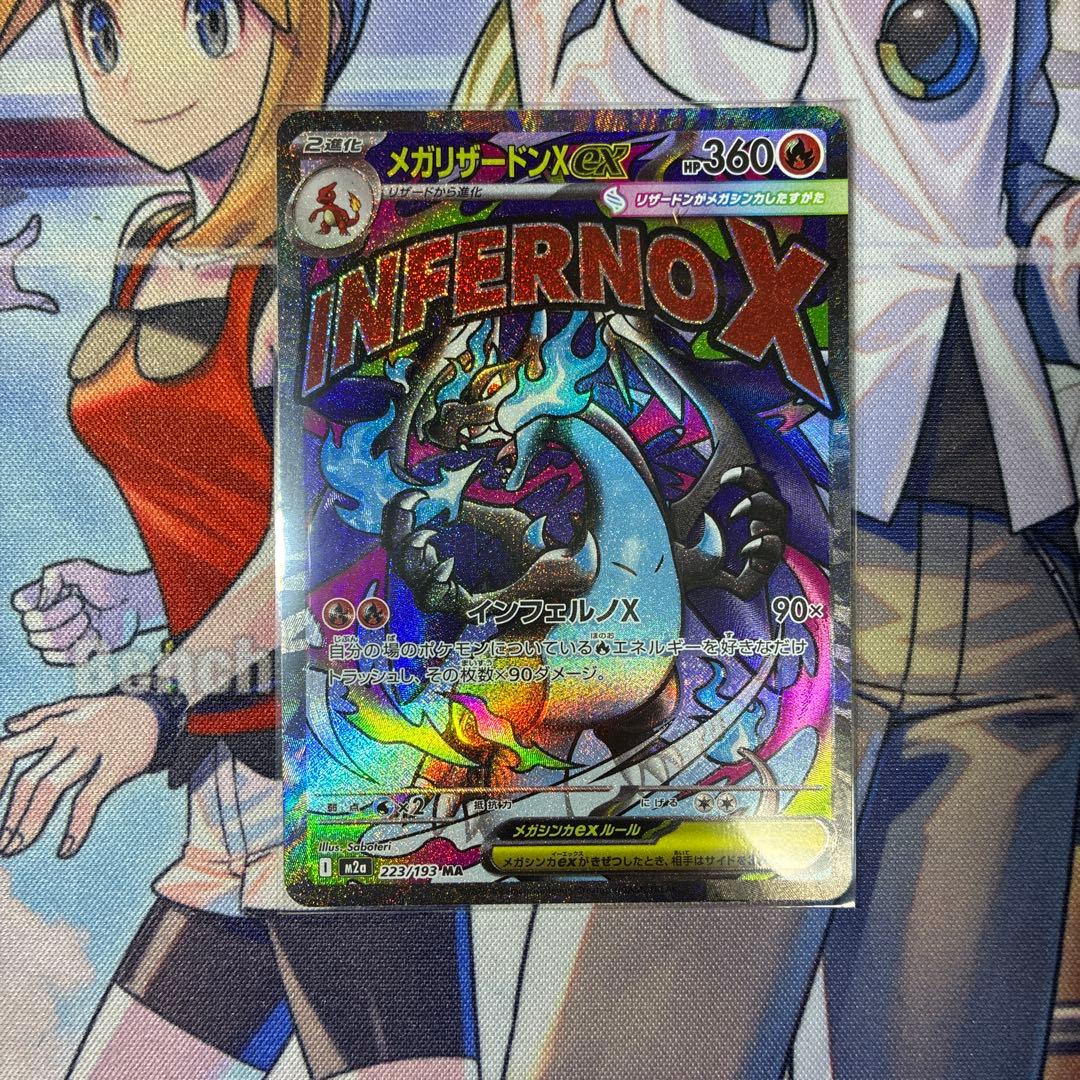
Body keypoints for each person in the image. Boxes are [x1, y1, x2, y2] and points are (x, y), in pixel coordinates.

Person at [455, 2, 1080, 1077]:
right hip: (765, 572)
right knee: (650, 1055)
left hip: (1006, 593)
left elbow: (1017, 187)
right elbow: (612, 135)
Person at [0, 1, 478, 1076]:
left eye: (208, 19)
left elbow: (337, 541)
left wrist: (154, 702)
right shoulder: (154, 243)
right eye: (101, 33)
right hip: (228, 792)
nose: (139, 75)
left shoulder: (335, 250)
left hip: (349, 783)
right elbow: (240, 502)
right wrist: (134, 596)